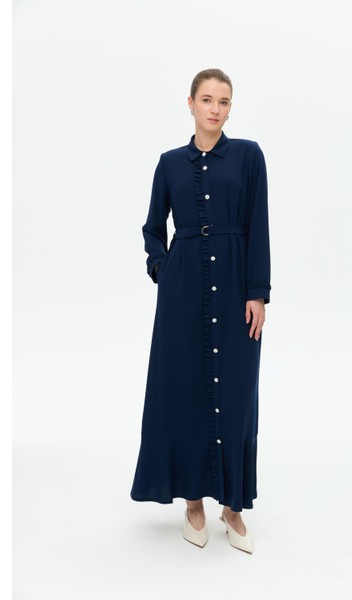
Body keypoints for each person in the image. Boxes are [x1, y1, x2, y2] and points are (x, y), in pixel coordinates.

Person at [130, 68, 271, 554]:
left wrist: (257, 292)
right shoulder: (170, 163)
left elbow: (258, 225)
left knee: (237, 395)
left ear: (231, 109)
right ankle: (193, 502)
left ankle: (232, 506)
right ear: (190, 103)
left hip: (235, 288)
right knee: (184, 391)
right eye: (207, 99)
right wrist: (162, 268)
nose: (215, 109)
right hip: (182, 292)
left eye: (224, 101)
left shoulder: (248, 156)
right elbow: (153, 228)